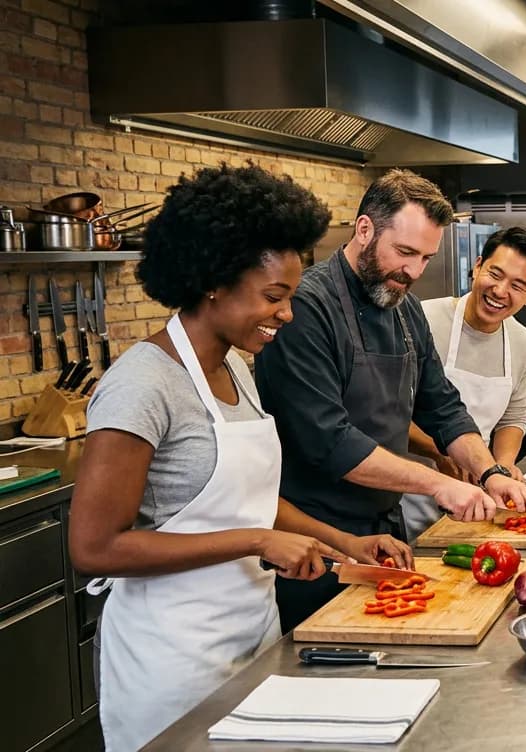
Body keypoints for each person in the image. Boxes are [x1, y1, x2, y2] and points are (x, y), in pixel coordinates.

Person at [69, 164, 411, 752]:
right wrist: (255, 542)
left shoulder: (234, 366)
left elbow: (249, 502)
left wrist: (343, 543)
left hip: (252, 635)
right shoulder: (143, 385)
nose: (287, 314)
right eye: (274, 297)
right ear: (214, 282)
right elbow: (95, 548)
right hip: (172, 664)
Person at [254, 169, 526, 631]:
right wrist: (437, 484)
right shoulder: (307, 308)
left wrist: (490, 471)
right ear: (365, 229)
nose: (415, 271)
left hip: (383, 533)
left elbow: (442, 406)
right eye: (405, 253)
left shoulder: (403, 307)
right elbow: (329, 440)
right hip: (312, 541)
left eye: (426, 257)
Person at [402, 227, 526, 538]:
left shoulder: (522, 342)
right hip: (408, 490)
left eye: (517, 285)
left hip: (477, 492)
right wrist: (440, 452)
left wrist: (503, 464)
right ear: (478, 266)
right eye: (495, 274)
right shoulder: (422, 319)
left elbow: (515, 414)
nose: (500, 291)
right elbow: (389, 412)